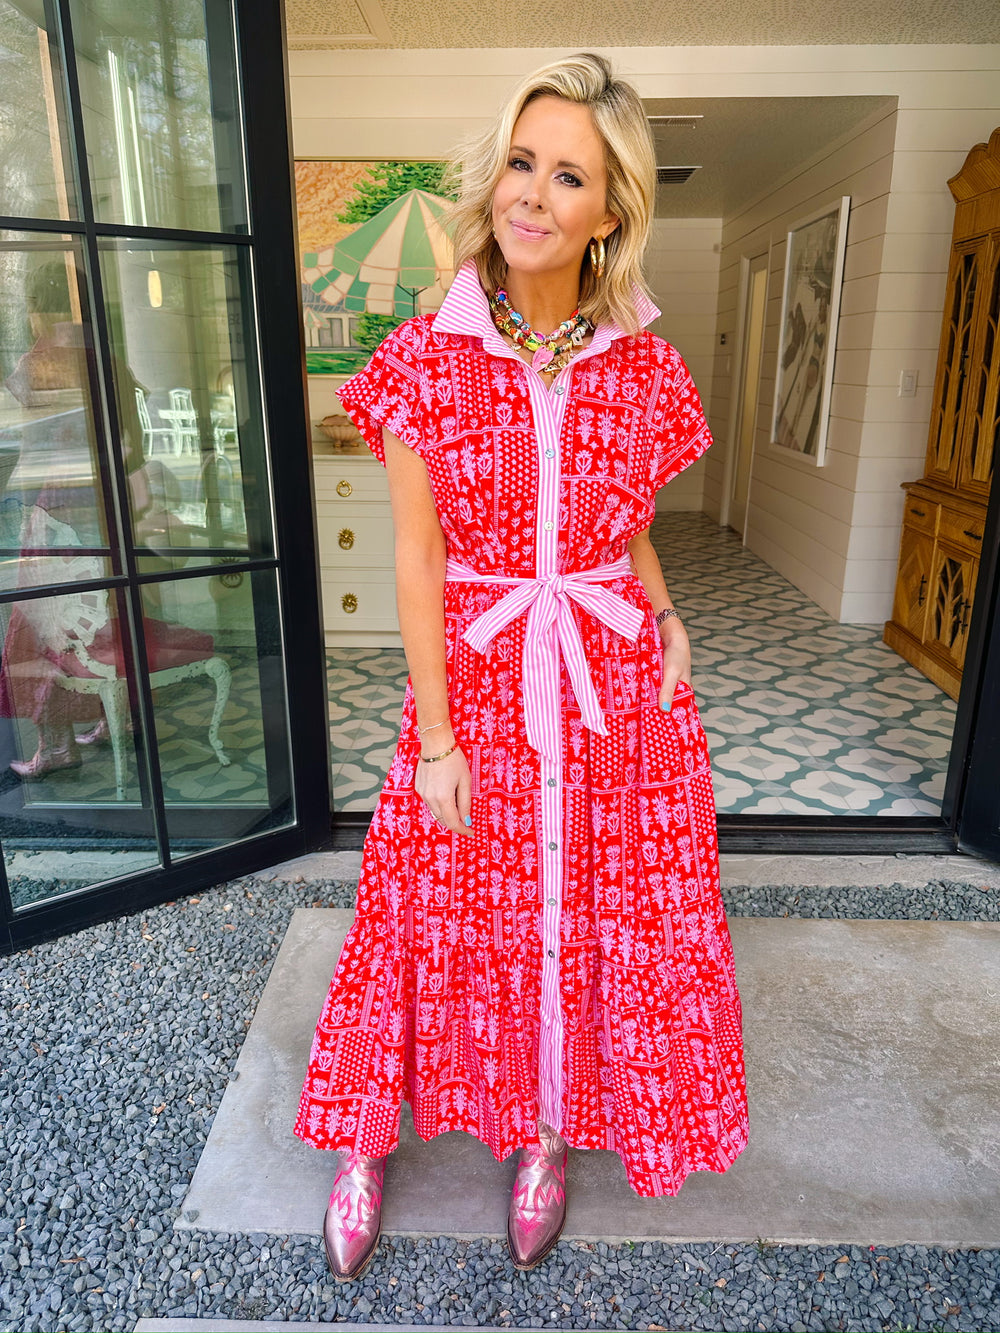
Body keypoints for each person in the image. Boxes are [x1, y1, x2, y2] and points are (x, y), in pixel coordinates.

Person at [295, 53, 749, 1280]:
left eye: (567, 175)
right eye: (519, 161)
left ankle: (546, 1128)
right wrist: (435, 738)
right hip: (481, 682)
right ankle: (361, 1135)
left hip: (609, 675)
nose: (530, 193)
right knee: (423, 909)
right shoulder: (425, 357)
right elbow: (415, 558)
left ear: (610, 214)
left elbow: (623, 517)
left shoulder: (644, 369)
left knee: (583, 915)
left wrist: (668, 615)